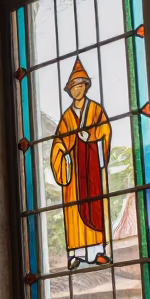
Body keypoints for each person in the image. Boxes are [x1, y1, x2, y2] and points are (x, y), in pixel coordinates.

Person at [50, 57, 112, 270]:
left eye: (80, 85)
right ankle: (76, 254)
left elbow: (105, 131)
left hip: (91, 164)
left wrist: (91, 136)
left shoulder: (95, 110)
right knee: (75, 212)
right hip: (74, 171)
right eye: (74, 87)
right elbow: (58, 142)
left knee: (94, 206)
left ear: (86, 86)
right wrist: (63, 154)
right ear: (70, 90)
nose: (77, 90)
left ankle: (97, 252)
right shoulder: (67, 117)